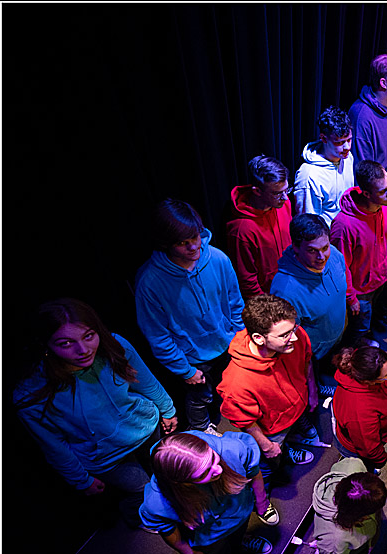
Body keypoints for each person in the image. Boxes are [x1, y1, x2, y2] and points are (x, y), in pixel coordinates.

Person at [15, 299, 177, 529]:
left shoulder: (114, 345)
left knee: (163, 476)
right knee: (142, 491)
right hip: (106, 457)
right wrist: (81, 480)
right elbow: (54, 445)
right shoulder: (32, 393)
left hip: (144, 427)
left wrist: (167, 409)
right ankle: (141, 520)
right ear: (46, 345)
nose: (83, 350)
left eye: (89, 336)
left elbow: (145, 381)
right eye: (66, 343)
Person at [135, 198, 244, 435]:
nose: (194, 247)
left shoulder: (217, 258)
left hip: (228, 344)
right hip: (192, 358)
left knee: (228, 389)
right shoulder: (150, 282)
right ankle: (202, 431)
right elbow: (157, 336)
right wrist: (185, 370)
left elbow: (235, 303)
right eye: (183, 242)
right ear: (165, 243)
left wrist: (239, 338)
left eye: (195, 237)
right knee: (199, 400)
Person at [217, 294, 317, 526]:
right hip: (272, 431)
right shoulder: (237, 381)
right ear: (259, 338)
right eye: (284, 335)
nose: (294, 337)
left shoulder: (295, 337)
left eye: (293, 328)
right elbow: (244, 421)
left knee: (290, 438)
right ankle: (260, 503)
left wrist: (311, 390)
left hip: (296, 408)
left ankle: (290, 446)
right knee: (267, 467)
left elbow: (307, 361)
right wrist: (268, 445)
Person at [140, 431, 271, 554]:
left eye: (213, 459)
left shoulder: (232, 449)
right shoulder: (158, 502)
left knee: (238, 535)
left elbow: (253, 471)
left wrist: (261, 501)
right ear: (183, 483)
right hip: (210, 536)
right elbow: (167, 530)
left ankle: (241, 541)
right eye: (204, 473)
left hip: (239, 512)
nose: (218, 469)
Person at [269, 214, 349, 395]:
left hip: (334, 338)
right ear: (296, 248)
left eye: (325, 247)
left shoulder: (333, 254)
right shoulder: (285, 290)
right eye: (312, 250)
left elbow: (344, 274)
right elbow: (288, 341)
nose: (322, 257)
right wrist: (310, 378)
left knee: (331, 368)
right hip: (312, 353)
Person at [330, 160, 387, 343]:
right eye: (383, 191)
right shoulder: (344, 225)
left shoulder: (384, 207)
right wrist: (351, 297)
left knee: (368, 322)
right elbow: (340, 266)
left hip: (379, 279)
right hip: (359, 291)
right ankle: (354, 357)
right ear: (367, 193)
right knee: (358, 328)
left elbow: (386, 237)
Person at [225, 154, 293, 298]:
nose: (285, 197)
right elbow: (247, 281)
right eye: (277, 193)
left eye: (287, 190)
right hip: (269, 301)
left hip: (291, 288)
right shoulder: (241, 229)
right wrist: (267, 308)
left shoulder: (284, 205)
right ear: (257, 191)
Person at [311, 458, 387, 554]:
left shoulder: (353, 465)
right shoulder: (334, 540)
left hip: (359, 538)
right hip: (352, 550)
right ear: (358, 515)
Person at [331, 344, 387, 469]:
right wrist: (380, 461)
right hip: (359, 449)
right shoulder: (359, 412)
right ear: (368, 382)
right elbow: (369, 448)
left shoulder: (365, 363)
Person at [293, 106, 355, 225]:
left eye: (349, 140)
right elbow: (309, 225)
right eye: (339, 142)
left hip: (345, 233)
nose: (347, 147)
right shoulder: (309, 176)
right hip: (327, 239)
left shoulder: (347, 158)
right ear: (323, 138)